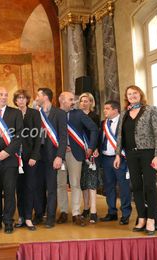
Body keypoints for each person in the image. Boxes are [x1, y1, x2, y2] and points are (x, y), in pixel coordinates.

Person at [114, 85, 157, 236]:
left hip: (148, 153)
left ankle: (151, 219)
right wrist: (117, 155)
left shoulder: (150, 110)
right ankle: (141, 217)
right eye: (129, 94)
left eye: (135, 93)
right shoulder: (124, 114)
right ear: (126, 97)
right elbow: (120, 136)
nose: (132, 95)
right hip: (130, 155)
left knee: (149, 186)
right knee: (136, 186)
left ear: (140, 94)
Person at [56, 92, 98, 227]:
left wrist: (91, 147)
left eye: (74, 99)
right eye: (70, 99)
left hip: (75, 154)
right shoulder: (54, 113)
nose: (73, 102)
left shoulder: (78, 114)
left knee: (75, 184)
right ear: (61, 100)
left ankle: (75, 213)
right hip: (59, 155)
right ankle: (63, 211)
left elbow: (94, 129)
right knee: (60, 184)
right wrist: (60, 147)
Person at [0, 87, 23, 234]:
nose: (3, 97)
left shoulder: (16, 113)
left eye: (5, 94)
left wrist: (7, 152)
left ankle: (8, 221)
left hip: (10, 160)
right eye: (0, 94)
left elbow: (19, 136)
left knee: (9, 191)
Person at [34, 88, 67, 228]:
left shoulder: (59, 113)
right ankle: (39, 215)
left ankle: (51, 217)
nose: (36, 97)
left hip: (52, 155)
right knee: (38, 187)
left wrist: (60, 156)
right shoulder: (36, 113)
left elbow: (63, 137)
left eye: (38, 95)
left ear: (45, 97)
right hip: (37, 155)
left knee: (51, 188)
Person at [98, 100, 131, 225]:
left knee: (123, 187)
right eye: (104, 108)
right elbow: (100, 140)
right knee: (109, 187)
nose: (104, 110)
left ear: (115, 110)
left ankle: (126, 214)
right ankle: (112, 212)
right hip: (106, 159)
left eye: (107, 108)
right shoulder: (103, 123)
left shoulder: (124, 123)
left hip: (120, 159)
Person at [13, 89, 41, 231]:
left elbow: (38, 137)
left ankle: (29, 217)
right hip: (15, 158)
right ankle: (21, 217)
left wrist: (34, 156)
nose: (21, 100)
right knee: (19, 188)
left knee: (29, 187)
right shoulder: (12, 114)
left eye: (24, 98)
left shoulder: (34, 114)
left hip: (30, 158)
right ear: (16, 101)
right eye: (19, 98)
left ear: (27, 100)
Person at [78, 92, 101, 223]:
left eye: (86, 101)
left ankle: (93, 211)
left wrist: (95, 147)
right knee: (83, 182)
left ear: (91, 103)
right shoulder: (76, 115)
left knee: (92, 181)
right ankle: (85, 208)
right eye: (81, 101)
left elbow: (97, 133)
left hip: (92, 151)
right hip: (79, 152)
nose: (84, 103)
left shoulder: (95, 116)